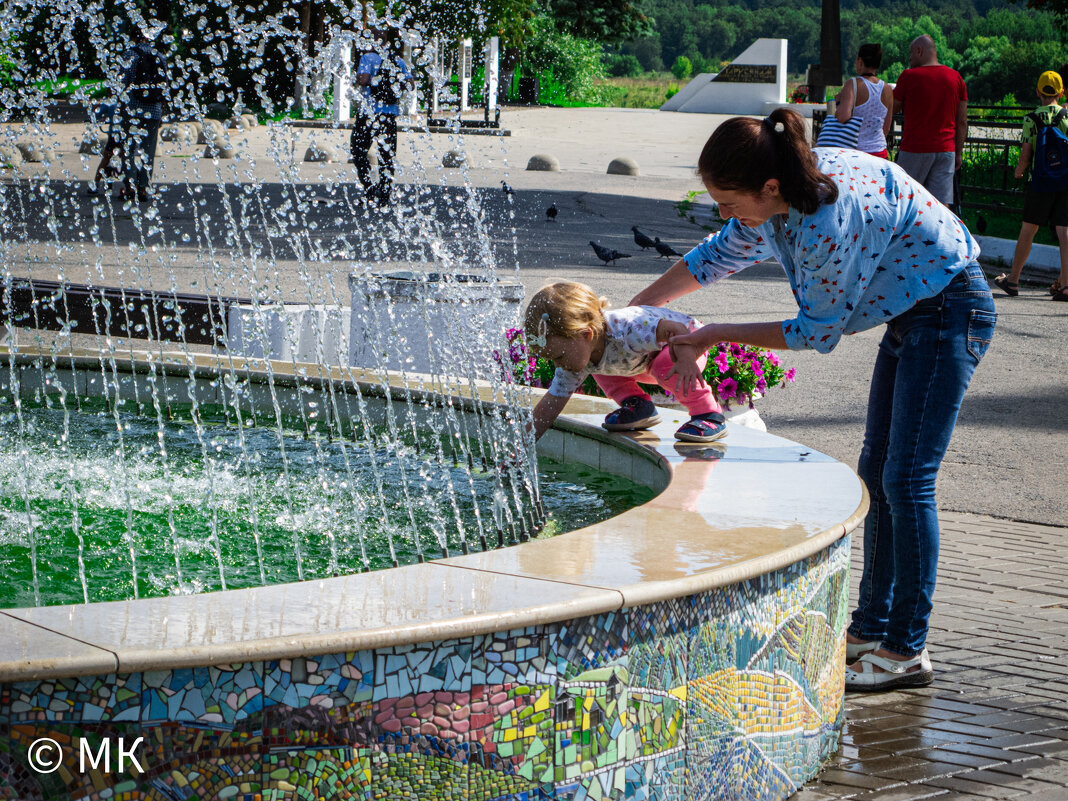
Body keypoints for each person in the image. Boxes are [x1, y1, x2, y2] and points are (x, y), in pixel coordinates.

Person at [630, 107, 996, 691]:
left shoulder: (828, 218)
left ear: (769, 187)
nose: (723, 215)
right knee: (877, 470)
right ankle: (872, 626)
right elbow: (711, 258)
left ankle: (907, 649)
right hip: (913, 316)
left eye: (728, 202)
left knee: (908, 479)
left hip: (950, 310)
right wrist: (633, 313)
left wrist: (712, 334)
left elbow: (817, 331)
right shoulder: (781, 187)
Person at [524, 281, 726, 444]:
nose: (558, 366)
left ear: (586, 334)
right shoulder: (581, 350)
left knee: (663, 366)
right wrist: (522, 448)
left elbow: (677, 330)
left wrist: (686, 360)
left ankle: (708, 414)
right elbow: (549, 406)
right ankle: (639, 407)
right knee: (598, 365)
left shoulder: (630, 328)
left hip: (686, 344)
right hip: (642, 361)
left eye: (559, 357)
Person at [993, 70, 1068, 302]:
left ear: (1038, 92)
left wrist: (1019, 171)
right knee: (1064, 231)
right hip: (1065, 181)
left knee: (1029, 228)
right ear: (1061, 92)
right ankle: (1066, 285)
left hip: (1039, 181)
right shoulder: (1067, 116)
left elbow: (1026, 153)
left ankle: (1013, 279)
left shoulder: (1031, 119)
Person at [892, 35, 968, 205]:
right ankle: (939, 232)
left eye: (911, 53)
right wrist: (958, 152)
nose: (910, 58)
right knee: (941, 206)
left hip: (914, 149)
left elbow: (891, 108)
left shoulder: (908, 77)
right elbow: (962, 121)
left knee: (907, 200)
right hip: (946, 150)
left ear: (919, 51)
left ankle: (908, 232)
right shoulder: (956, 78)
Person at [350, 27, 414, 204]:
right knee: (387, 155)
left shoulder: (368, 57)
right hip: (389, 115)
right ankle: (385, 194)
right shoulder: (397, 60)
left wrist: (365, 79)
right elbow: (411, 84)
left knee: (358, 151)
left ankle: (369, 189)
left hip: (369, 114)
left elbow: (362, 79)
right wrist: (392, 80)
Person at [117, 21, 169, 202]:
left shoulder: (129, 54)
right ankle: (144, 189)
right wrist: (161, 111)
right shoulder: (159, 56)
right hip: (153, 111)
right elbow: (165, 87)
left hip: (131, 109)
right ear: (148, 36)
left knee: (129, 149)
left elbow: (121, 84)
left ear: (133, 37)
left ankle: (130, 187)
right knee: (148, 150)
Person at [832, 43, 893, 158]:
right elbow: (886, 127)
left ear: (860, 61)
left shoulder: (852, 84)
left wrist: (839, 102)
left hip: (856, 152)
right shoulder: (887, 89)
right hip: (880, 152)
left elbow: (842, 116)